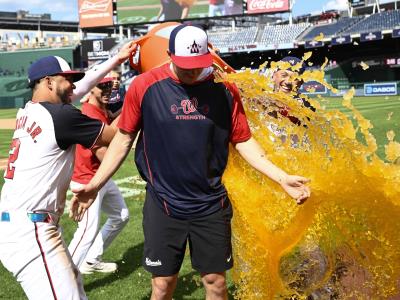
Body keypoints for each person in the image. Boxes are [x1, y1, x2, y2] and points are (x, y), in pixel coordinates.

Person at [70, 25, 310, 300]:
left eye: (198, 65)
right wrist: (95, 184)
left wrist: (281, 177)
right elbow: (123, 140)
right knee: (162, 285)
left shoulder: (224, 90)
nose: (192, 72)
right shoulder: (144, 86)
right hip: (163, 203)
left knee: (215, 283)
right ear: (170, 54)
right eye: (185, 66)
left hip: (211, 204)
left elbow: (243, 141)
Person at [0, 41, 136, 300]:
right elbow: (117, 136)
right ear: (49, 82)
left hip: (20, 224)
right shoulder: (61, 117)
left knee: (75, 288)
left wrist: (116, 59)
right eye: (68, 80)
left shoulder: (28, 111)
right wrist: (140, 98)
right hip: (32, 233)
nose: (74, 86)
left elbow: (81, 88)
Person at [68, 77, 129, 274]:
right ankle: (64, 276)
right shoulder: (88, 113)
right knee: (86, 232)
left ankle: (92, 259)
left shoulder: (99, 109)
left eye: (109, 86)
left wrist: (126, 101)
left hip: (99, 177)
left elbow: (112, 116)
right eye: (101, 85)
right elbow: (104, 156)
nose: (106, 90)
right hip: (87, 180)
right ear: (90, 89)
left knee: (121, 216)